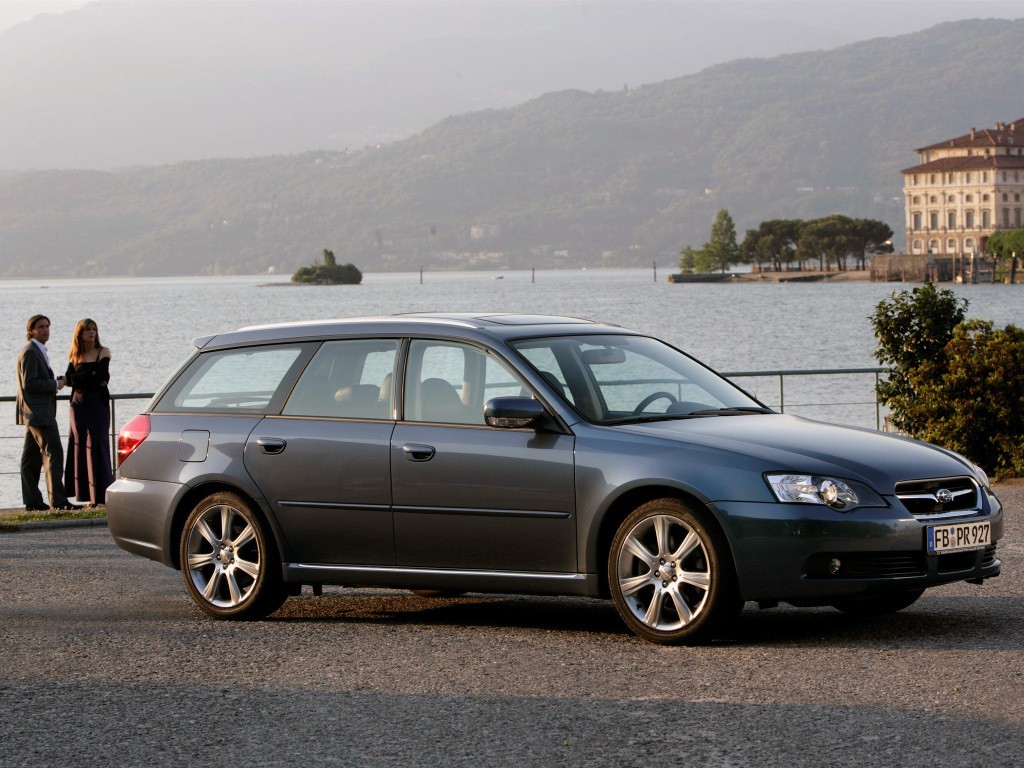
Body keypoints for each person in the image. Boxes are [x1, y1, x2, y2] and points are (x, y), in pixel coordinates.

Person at [16, 315, 80, 511]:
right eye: (41, 327)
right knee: (54, 454)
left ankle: (33, 501)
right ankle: (58, 502)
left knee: (31, 459)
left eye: (47, 326)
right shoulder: (30, 352)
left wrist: (57, 381)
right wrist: (55, 384)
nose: (46, 330)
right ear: (31, 331)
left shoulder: (36, 350)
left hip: (33, 413)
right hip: (40, 414)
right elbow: (30, 383)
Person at [63, 318, 113, 507]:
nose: (91, 332)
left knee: (97, 442)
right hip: (77, 405)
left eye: (94, 329)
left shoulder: (103, 351)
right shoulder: (75, 355)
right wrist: (86, 377)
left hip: (97, 404)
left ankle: (100, 496)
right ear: (80, 333)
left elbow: (101, 376)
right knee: (79, 444)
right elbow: (68, 379)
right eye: (87, 329)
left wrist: (78, 378)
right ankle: (84, 495)